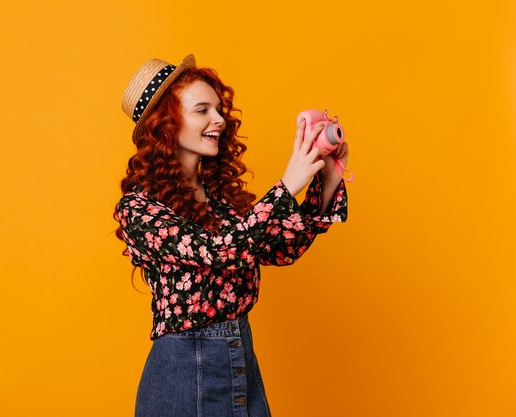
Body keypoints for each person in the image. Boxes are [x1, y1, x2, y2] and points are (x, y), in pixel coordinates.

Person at [113, 54, 348, 417]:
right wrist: (287, 185)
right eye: (202, 110)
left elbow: (281, 250)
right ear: (165, 123)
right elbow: (218, 251)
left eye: (218, 109)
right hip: (184, 371)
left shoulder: (219, 201)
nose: (219, 120)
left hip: (241, 358)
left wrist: (326, 180)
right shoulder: (138, 209)